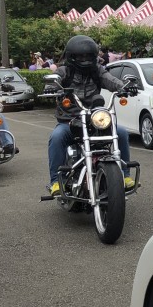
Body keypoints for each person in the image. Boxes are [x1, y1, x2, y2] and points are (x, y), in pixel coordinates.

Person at [43, 35, 134, 199]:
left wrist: (125, 87)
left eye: (87, 56)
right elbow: (54, 80)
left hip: (94, 120)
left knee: (121, 132)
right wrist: (51, 87)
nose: (84, 59)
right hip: (70, 121)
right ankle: (57, 181)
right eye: (80, 56)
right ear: (72, 56)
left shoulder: (97, 70)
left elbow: (110, 80)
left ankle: (124, 174)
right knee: (56, 137)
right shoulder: (64, 71)